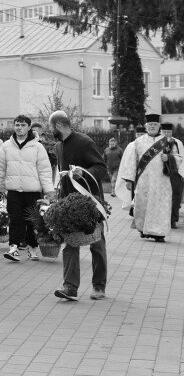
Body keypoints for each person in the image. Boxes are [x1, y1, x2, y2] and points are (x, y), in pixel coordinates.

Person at [50, 110, 108, 301]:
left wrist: (83, 173)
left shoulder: (84, 142)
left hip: (90, 202)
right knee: (70, 244)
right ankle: (70, 287)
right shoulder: (58, 146)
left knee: (96, 244)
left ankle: (99, 287)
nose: (50, 130)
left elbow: (101, 168)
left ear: (58, 125)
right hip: (68, 204)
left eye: (51, 127)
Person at [0, 115, 54, 263]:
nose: (19, 127)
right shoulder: (6, 146)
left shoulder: (37, 147)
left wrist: (49, 191)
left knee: (32, 221)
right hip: (13, 191)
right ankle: (13, 248)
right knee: (15, 220)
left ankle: (32, 248)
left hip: (32, 192)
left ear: (29, 127)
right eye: (17, 125)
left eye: (23, 125)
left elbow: (44, 170)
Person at [116, 115, 183, 242]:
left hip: (162, 181)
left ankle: (159, 233)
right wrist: (129, 180)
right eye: (150, 124)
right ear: (146, 127)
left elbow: (179, 158)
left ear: (159, 126)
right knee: (142, 205)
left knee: (160, 206)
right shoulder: (138, 142)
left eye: (155, 124)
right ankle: (144, 230)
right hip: (143, 181)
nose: (152, 126)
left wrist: (169, 158)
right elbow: (132, 161)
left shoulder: (168, 141)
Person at [160, 123, 183, 228]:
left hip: (174, 173)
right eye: (164, 132)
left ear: (172, 132)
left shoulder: (177, 142)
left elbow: (180, 158)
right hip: (159, 174)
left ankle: (172, 219)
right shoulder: (156, 143)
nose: (166, 134)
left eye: (168, 132)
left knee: (174, 197)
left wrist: (169, 158)